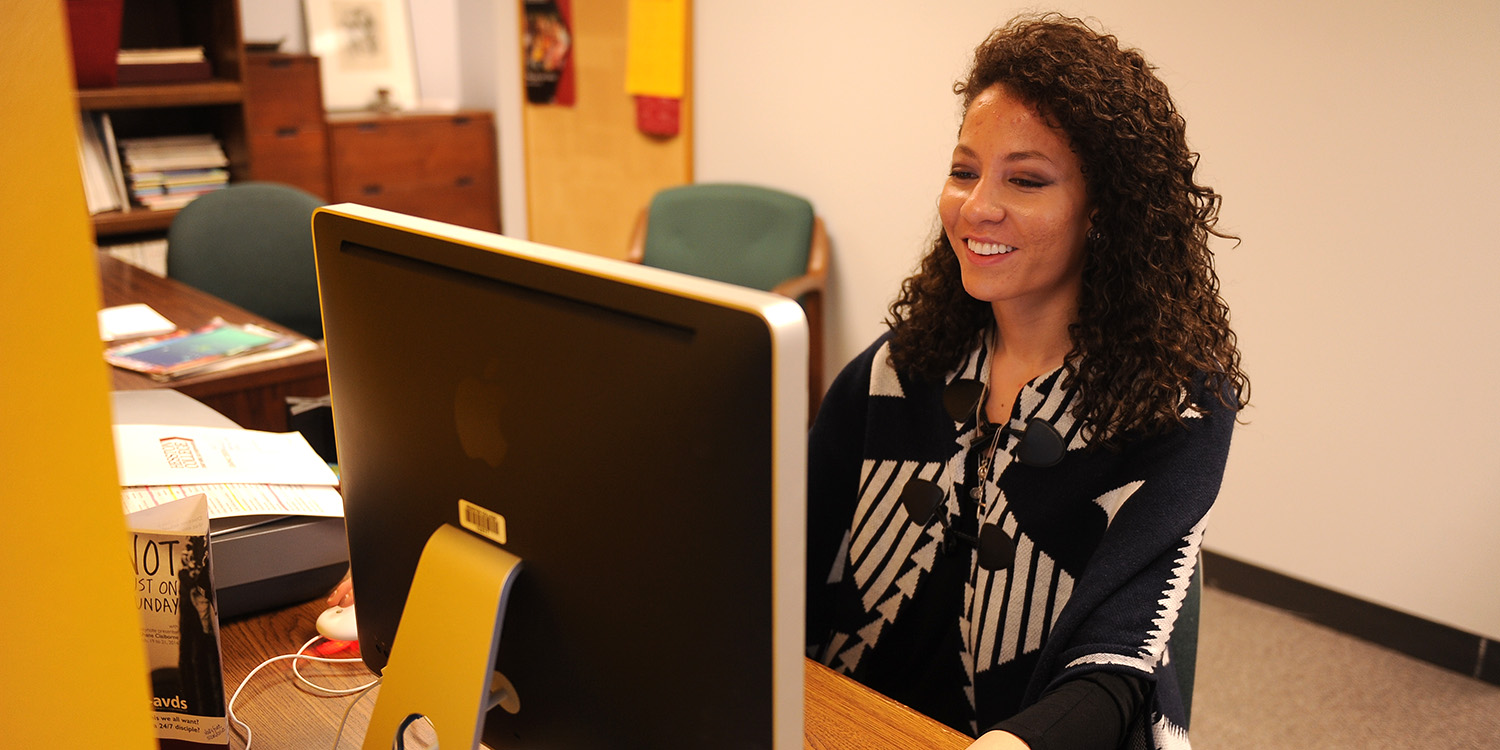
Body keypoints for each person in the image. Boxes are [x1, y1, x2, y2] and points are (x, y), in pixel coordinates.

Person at [804, 13, 1248, 750]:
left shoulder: (1173, 413)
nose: (977, 206)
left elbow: (1114, 671)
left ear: (1104, 211)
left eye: (1027, 179)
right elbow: (778, 554)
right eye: (964, 170)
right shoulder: (899, 367)